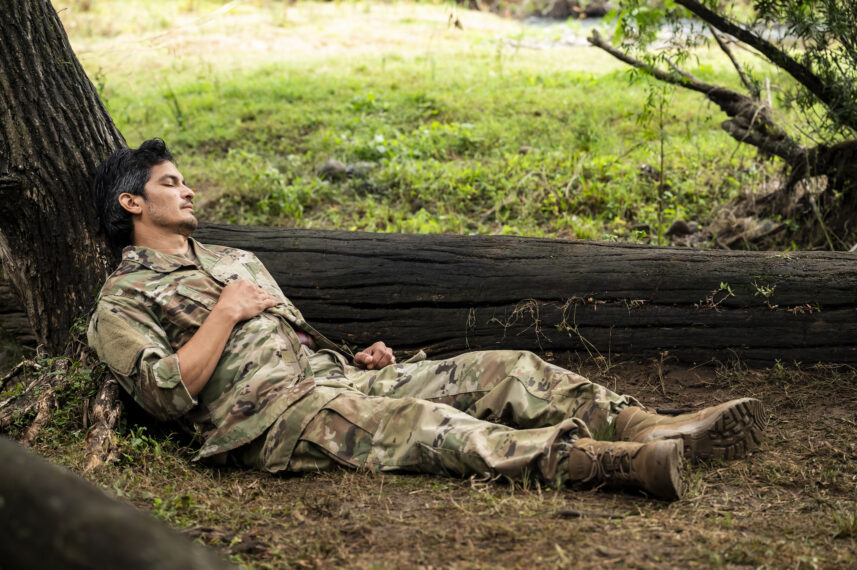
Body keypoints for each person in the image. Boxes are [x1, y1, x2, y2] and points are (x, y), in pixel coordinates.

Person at [87, 139, 765, 501]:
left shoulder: (234, 258)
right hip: (270, 423)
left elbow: (284, 341)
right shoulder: (121, 301)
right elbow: (164, 392)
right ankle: (615, 465)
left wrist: (355, 362)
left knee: (504, 369)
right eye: (171, 183)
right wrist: (226, 314)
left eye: (183, 179)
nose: (189, 188)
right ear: (132, 202)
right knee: (434, 428)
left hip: (333, 383)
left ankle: (657, 425)